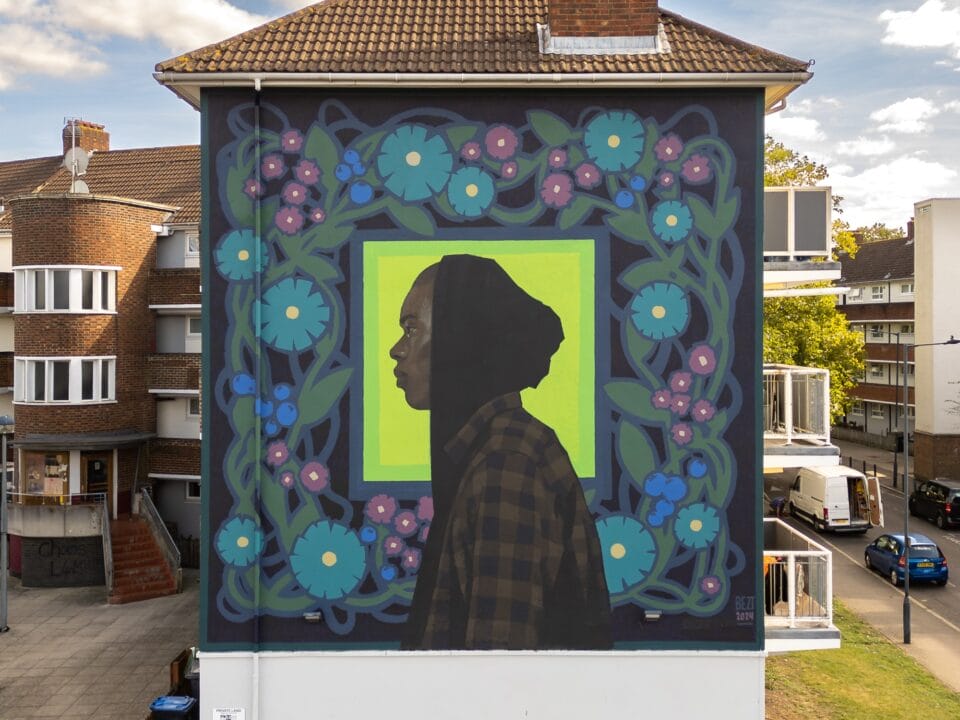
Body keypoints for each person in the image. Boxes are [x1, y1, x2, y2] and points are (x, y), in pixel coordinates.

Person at [390, 254, 612, 650]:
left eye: (411, 329)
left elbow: (498, 662)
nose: (396, 350)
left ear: (460, 337)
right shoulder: (494, 447)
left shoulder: (506, 464)